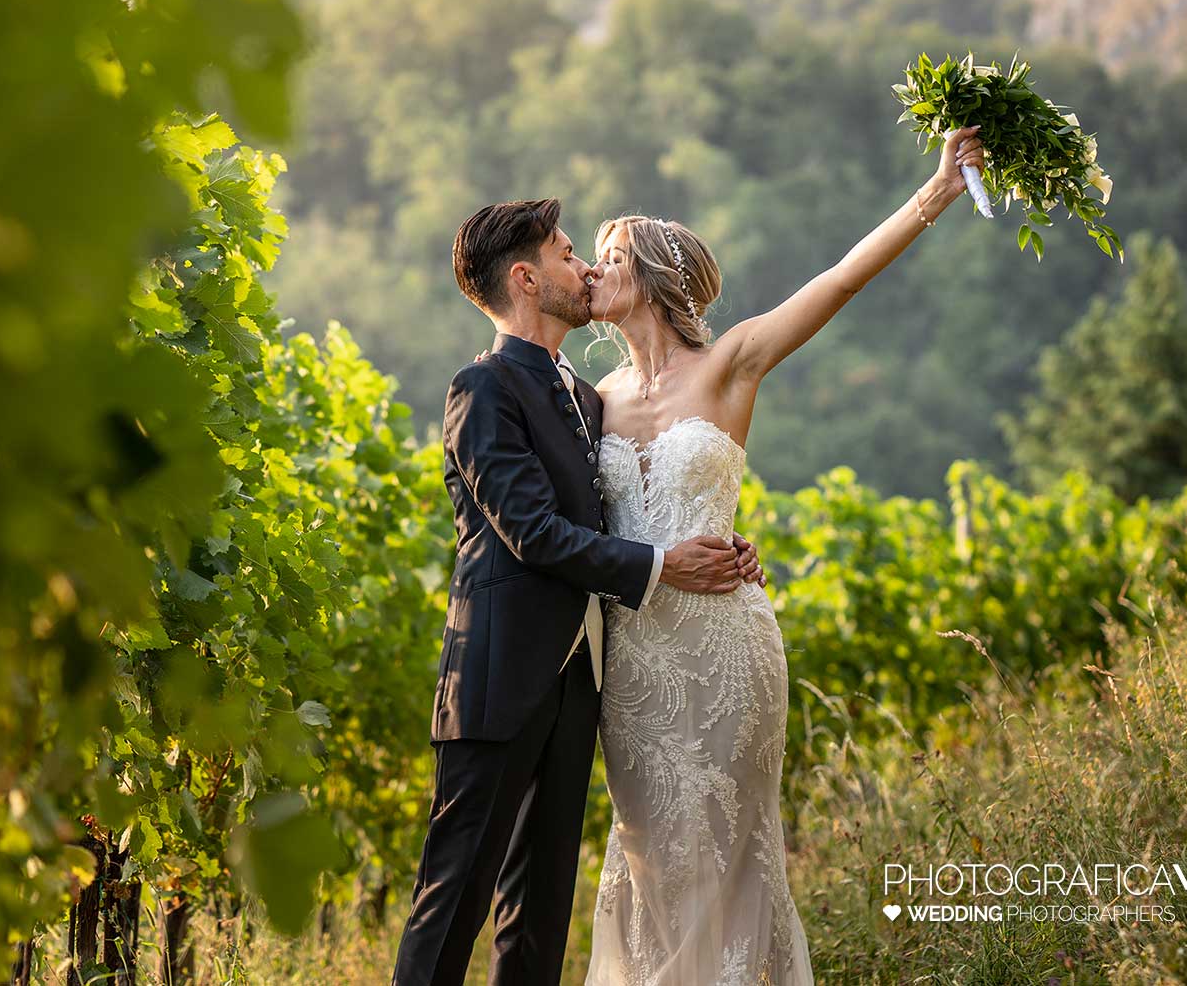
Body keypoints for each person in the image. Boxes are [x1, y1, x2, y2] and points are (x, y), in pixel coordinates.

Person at [580, 124, 986, 983]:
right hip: (634, 667)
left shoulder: (732, 361)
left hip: (727, 650)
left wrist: (938, 192)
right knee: (648, 853)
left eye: (609, 258)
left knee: (731, 852)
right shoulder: (591, 399)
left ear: (650, 277)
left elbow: (838, 281)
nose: (592, 273)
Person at [392, 197, 765, 986]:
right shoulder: (482, 388)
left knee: (538, 916)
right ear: (527, 280)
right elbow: (531, 532)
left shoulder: (586, 395)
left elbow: (635, 495)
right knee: (453, 899)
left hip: (583, 684)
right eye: (568, 254)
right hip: (496, 680)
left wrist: (723, 543)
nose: (585, 267)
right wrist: (665, 566)